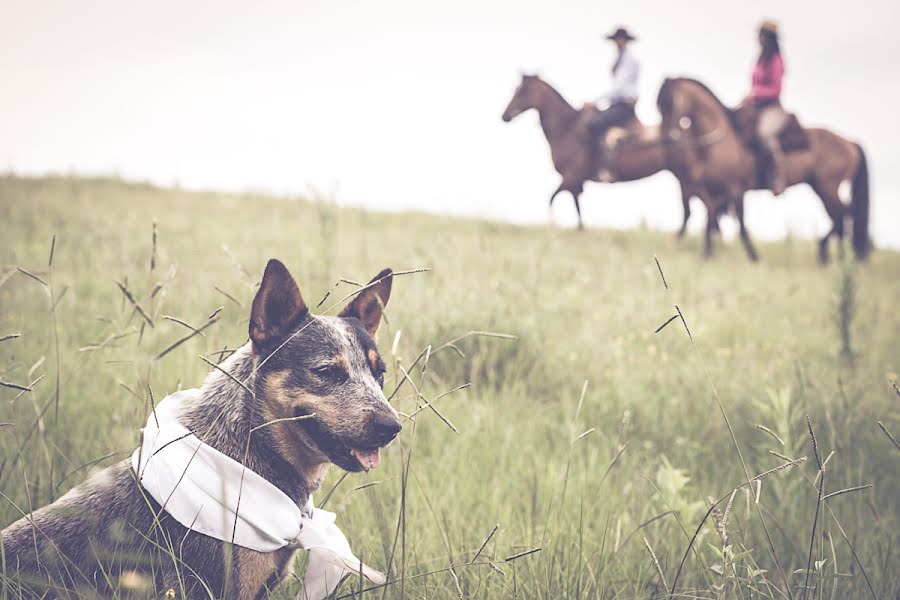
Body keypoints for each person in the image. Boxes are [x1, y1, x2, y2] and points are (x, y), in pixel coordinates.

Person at [587, 27, 640, 171]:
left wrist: (595, 101)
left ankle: (604, 164)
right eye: (617, 40)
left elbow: (619, 89)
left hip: (624, 105)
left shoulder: (629, 61)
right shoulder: (620, 59)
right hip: (617, 104)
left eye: (620, 40)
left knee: (594, 124)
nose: (618, 43)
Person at [746, 20, 787, 194]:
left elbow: (776, 90)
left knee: (765, 135)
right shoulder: (760, 59)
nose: (758, 38)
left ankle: (778, 176)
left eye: (761, 35)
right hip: (755, 107)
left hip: (772, 108)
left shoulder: (776, 61)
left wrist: (755, 94)